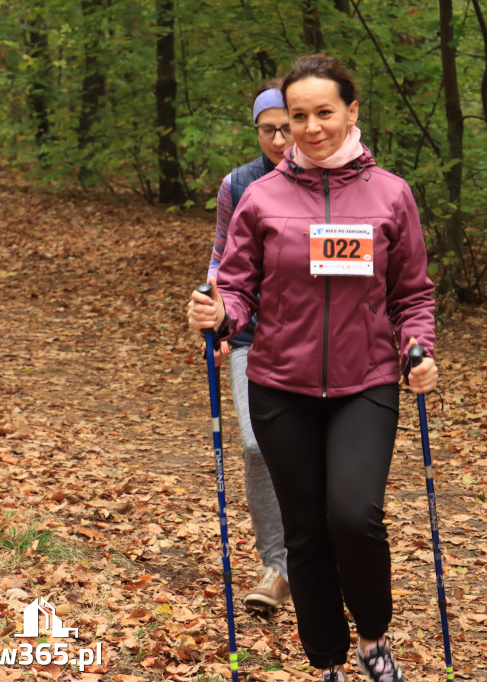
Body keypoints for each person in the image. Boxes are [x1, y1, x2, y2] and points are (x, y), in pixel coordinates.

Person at [189, 54, 437, 682]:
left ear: (352, 112)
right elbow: (239, 289)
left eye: (324, 112)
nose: (311, 126)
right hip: (281, 386)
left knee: (353, 516)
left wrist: (418, 347)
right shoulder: (262, 198)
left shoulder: (391, 194)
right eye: (298, 115)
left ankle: (374, 637)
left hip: (367, 382)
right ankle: (325, 660)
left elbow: (412, 294)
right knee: (305, 532)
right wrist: (221, 314)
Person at [190, 79, 293, 610]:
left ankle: (312, 555)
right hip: (250, 335)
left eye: (285, 126)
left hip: (306, 337)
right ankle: (276, 565)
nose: (278, 138)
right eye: (267, 129)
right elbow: (220, 255)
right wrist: (216, 309)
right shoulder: (239, 184)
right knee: (257, 446)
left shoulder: (325, 181)